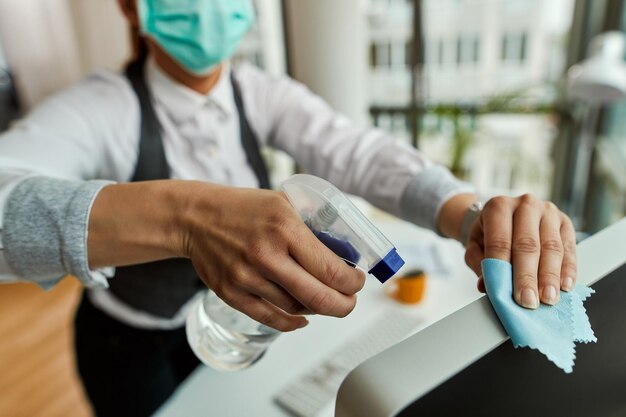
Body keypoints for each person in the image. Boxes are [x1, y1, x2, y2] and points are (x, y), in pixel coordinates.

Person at [0, 0, 577, 415]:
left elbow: (356, 151)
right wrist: (184, 215)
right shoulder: (100, 108)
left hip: (238, 331)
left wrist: (469, 215)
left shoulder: (260, 92)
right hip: (131, 347)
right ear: (130, 8)